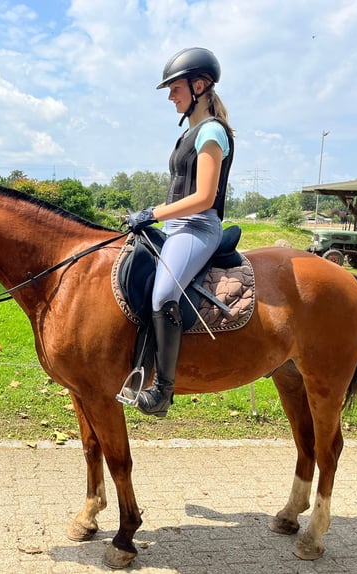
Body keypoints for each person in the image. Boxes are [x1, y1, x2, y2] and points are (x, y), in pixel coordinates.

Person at [123, 47, 235, 417]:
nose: (171, 96)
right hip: (175, 226)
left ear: (199, 86)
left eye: (176, 89)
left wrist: (152, 213)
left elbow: (203, 197)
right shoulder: (189, 134)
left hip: (198, 227)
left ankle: (163, 391)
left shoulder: (212, 132)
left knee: (164, 291)